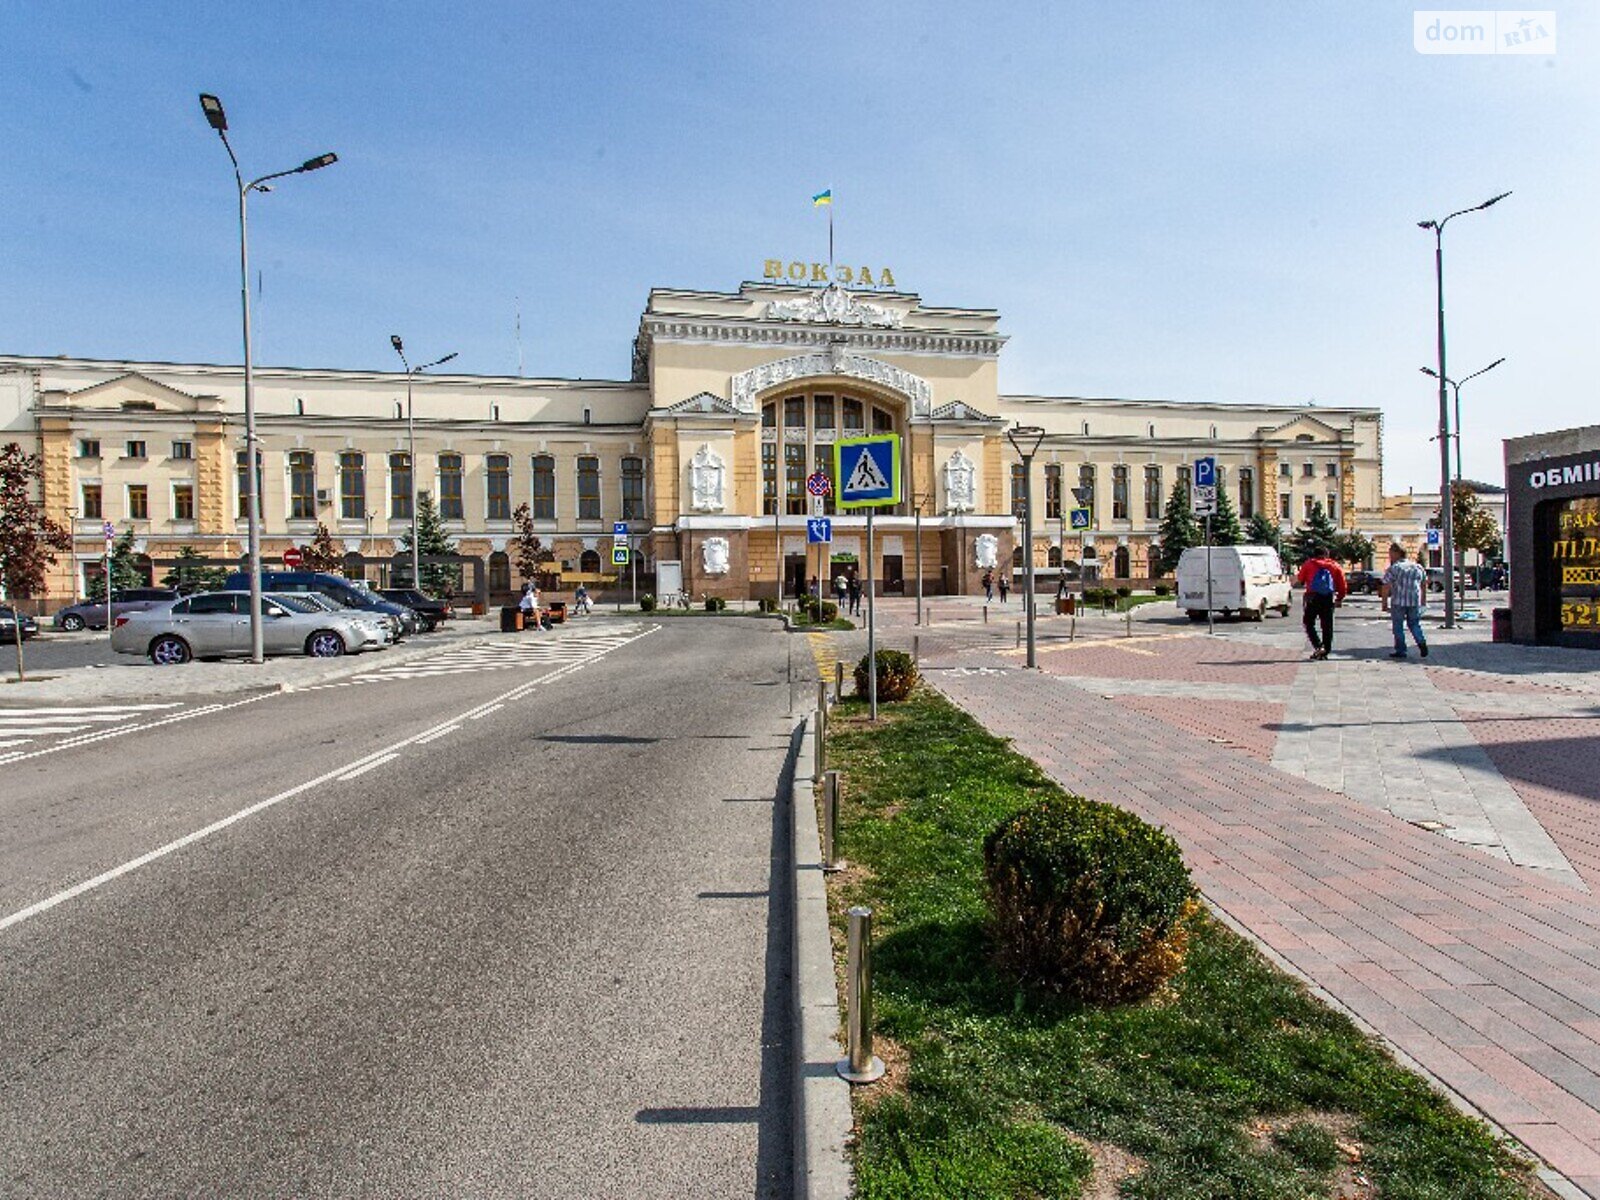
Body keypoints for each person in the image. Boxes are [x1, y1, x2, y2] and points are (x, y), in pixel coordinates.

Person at [1294, 550, 1347, 660]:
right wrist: (1340, 598)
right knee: (1327, 625)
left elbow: (1300, 579)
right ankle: (1325, 651)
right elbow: (1342, 584)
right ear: (1327, 555)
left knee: (1308, 622)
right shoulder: (1334, 566)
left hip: (1312, 597)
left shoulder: (1308, 564)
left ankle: (1318, 646)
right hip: (1328, 598)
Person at [1380, 542, 1428, 659]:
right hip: (1414, 601)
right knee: (1414, 624)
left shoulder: (1394, 568)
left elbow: (1385, 586)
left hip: (1398, 602)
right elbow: (1424, 584)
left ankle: (1401, 650)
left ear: (1396, 553)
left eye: (1390, 553)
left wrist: (1384, 602)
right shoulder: (1417, 567)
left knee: (1398, 626)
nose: (1390, 556)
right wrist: (1423, 601)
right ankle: (1421, 642)